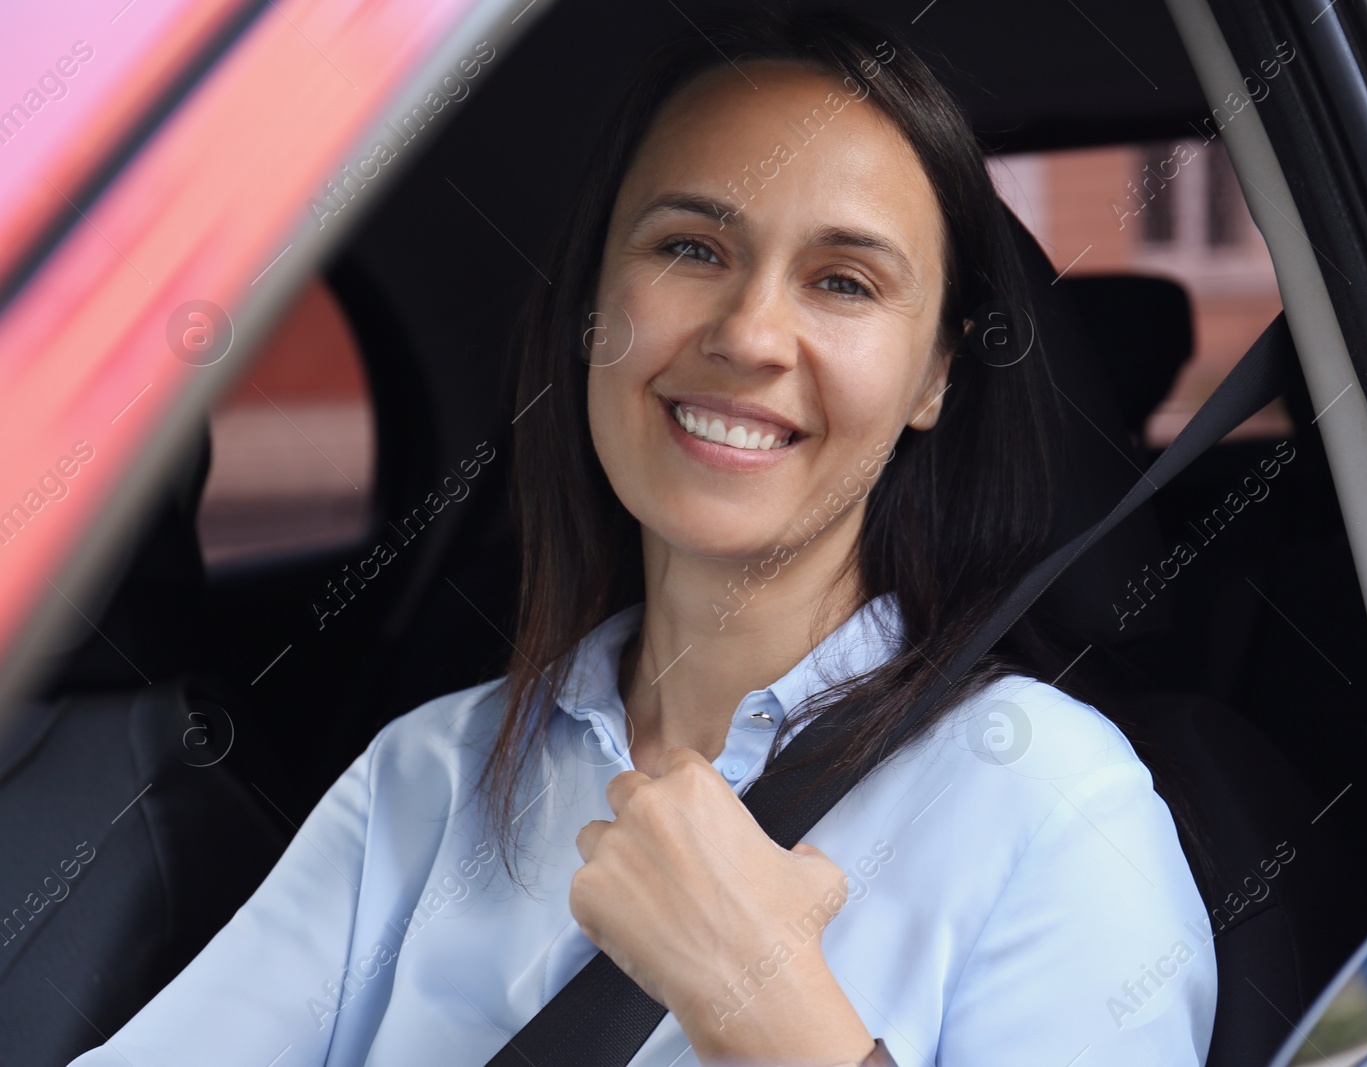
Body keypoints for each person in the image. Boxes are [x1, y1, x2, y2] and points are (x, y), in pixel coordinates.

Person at [70, 11, 1215, 1066]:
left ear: (934, 376)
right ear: (590, 308)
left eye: (844, 281)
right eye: (691, 250)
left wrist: (759, 1002)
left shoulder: (1052, 805)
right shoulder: (432, 775)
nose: (751, 332)